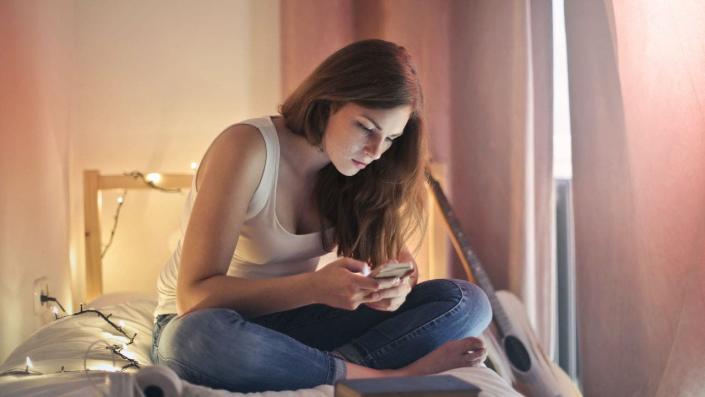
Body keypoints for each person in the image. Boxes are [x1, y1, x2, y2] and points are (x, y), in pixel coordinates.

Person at [150, 39, 492, 393]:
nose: (376, 152)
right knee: (193, 340)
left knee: (468, 303)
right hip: (206, 322)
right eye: (365, 127)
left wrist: (395, 288)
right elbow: (193, 296)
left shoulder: (356, 173)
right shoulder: (247, 148)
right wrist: (313, 288)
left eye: (390, 138)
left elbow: (395, 260)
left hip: (295, 325)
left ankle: (327, 367)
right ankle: (386, 377)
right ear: (327, 103)